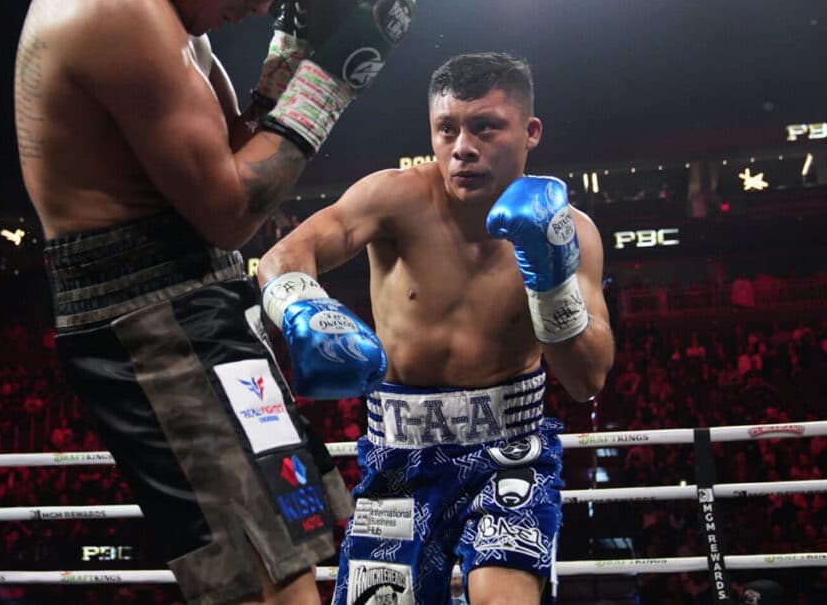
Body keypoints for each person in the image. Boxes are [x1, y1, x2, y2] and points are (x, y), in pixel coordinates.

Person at [13, 0, 415, 603]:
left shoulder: (169, 9)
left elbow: (235, 146)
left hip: (198, 307)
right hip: (151, 324)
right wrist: (329, 80)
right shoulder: (119, 10)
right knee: (261, 582)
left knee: (290, 559)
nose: (262, 6)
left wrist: (291, 54)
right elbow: (230, 208)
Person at [258, 52, 615, 603]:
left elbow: (587, 378)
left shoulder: (574, 231)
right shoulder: (394, 199)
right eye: (447, 129)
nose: (463, 147)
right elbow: (285, 255)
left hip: (511, 449)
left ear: (530, 131)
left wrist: (552, 282)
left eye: (486, 127)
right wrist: (301, 305)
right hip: (398, 453)